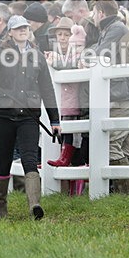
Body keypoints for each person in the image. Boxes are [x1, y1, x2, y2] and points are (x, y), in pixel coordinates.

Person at [0, 15, 61, 219]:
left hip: (29, 116)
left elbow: (47, 90)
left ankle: (34, 206)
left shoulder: (38, 56)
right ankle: (1, 209)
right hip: (4, 116)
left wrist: (55, 120)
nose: (23, 30)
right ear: (10, 32)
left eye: (26, 27)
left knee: (30, 160)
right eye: (18, 28)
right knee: (3, 163)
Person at [87, 0, 129, 194]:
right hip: (128, 92)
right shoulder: (113, 28)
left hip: (125, 94)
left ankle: (125, 191)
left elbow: (101, 54)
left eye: (94, 12)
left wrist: (86, 54)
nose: (92, 16)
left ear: (101, 13)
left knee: (110, 141)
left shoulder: (115, 28)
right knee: (128, 142)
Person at [46, 19, 86, 170]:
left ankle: (67, 160)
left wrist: (54, 62)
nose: (62, 38)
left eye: (66, 35)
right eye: (59, 34)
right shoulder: (57, 54)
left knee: (72, 135)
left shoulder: (77, 54)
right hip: (61, 101)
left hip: (74, 101)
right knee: (61, 131)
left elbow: (73, 65)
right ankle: (62, 160)